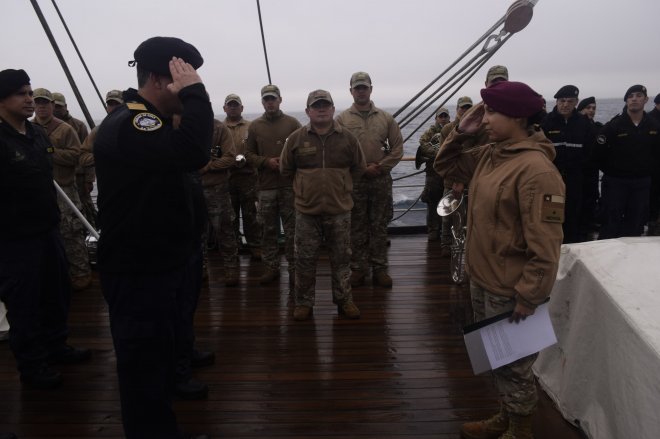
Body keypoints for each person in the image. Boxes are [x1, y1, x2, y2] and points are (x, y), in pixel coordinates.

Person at [94, 37, 213, 439]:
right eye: (189, 76)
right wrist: (195, 94)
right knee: (143, 367)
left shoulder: (150, 122)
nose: (196, 84)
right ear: (165, 80)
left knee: (157, 359)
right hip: (139, 270)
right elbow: (193, 152)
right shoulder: (133, 122)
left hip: (161, 263)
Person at [436, 80, 565, 439]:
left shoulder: (537, 172)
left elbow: (547, 244)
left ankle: (521, 428)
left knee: (515, 364)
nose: (486, 118)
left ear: (519, 116)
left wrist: (529, 296)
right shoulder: (492, 154)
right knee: (498, 358)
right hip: (483, 277)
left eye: (492, 111)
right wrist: (461, 132)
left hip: (511, 288)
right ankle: (506, 415)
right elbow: (445, 165)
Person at [0, 69, 91, 390]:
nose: (29, 100)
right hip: (14, 239)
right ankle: (32, 365)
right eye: (21, 94)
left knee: (57, 292)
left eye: (29, 93)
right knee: (24, 303)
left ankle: (56, 345)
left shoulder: (36, 134)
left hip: (47, 229)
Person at [280, 89, 366, 321]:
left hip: (339, 212)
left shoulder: (348, 138)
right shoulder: (296, 138)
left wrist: (342, 186)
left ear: (333, 109)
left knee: (342, 259)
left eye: (325, 105)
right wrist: (305, 189)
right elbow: (286, 169)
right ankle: (303, 303)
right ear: (308, 111)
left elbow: (359, 168)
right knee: (304, 260)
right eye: (316, 106)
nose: (321, 109)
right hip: (306, 213)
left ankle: (344, 300)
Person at [336, 71, 404, 288]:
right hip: (355, 181)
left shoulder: (386, 118)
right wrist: (361, 168)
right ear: (351, 91)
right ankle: (358, 268)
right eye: (357, 87)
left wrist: (380, 167)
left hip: (381, 180)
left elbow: (397, 149)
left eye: (364, 87)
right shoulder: (341, 119)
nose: (361, 91)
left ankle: (380, 268)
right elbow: (338, 150)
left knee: (379, 225)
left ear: (371, 89)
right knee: (356, 226)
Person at [434, 65, 509, 255]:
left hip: (497, 181)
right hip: (464, 177)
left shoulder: (513, 114)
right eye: (494, 82)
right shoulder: (469, 119)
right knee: (453, 218)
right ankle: (448, 246)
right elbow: (447, 157)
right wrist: (458, 180)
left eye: (502, 82)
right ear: (486, 84)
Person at [31, 87, 92, 291]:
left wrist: (49, 152)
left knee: (72, 232)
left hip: (65, 189)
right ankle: (56, 273)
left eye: (45, 103)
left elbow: (76, 156)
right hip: (39, 191)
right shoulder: (27, 128)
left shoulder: (66, 129)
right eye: (37, 103)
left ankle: (81, 272)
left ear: (51, 106)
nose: (41, 107)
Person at [245, 84, 301, 289]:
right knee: (267, 230)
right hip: (266, 187)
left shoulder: (293, 123)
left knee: (292, 230)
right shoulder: (255, 126)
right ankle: (271, 267)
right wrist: (266, 162)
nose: (270, 102)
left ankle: (295, 269)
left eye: (273, 99)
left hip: (288, 186)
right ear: (262, 102)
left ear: (280, 100)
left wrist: (286, 162)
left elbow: (301, 151)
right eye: (266, 99)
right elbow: (248, 154)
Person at [594, 85, 660, 239]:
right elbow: (597, 154)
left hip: (642, 183)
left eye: (638, 95)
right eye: (630, 96)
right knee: (610, 224)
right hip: (616, 183)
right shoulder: (613, 126)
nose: (634, 99)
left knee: (636, 225)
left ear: (646, 99)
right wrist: (613, 170)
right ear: (626, 101)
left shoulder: (654, 126)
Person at [541, 85, 597, 243]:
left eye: (570, 101)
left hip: (576, 182)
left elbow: (591, 154)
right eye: (562, 100)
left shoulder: (584, 124)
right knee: (551, 219)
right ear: (557, 102)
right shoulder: (546, 123)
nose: (565, 104)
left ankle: (570, 248)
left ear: (576, 102)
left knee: (573, 218)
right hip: (552, 183)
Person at [76, 90, 125, 229]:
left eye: (117, 104)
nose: (113, 107)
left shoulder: (134, 126)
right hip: (108, 188)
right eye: (110, 104)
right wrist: (103, 156)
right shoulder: (98, 131)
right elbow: (82, 157)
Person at [200, 117, 240, 286]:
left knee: (225, 230)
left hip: (217, 189)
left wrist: (208, 166)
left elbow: (230, 157)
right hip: (193, 190)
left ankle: (231, 268)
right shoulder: (182, 125)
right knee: (196, 233)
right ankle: (200, 269)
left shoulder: (219, 128)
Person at [224, 94, 261, 259]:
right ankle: (234, 246)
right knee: (229, 216)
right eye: (230, 105)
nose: (233, 107)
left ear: (242, 108)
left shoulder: (251, 126)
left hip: (248, 178)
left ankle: (255, 245)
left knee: (250, 214)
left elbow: (257, 149)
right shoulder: (218, 127)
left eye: (236, 105)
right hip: (226, 178)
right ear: (224, 108)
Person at [416, 107, 450, 241]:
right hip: (433, 174)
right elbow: (423, 144)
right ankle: (433, 231)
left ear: (448, 118)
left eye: (445, 116)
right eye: (440, 116)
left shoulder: (453, 129)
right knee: (432, 202)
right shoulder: (429, 132)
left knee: (448, 202)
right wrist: (439, 153)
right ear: (436, 118)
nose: (443, 118)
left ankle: (446, 232)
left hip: (448, 173)